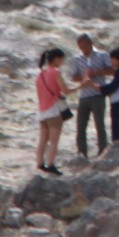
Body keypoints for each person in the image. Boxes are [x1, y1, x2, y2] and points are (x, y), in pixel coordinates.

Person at [35, 47, 79, 175]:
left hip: (42, 111)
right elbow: (65, 90)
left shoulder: (40, 75)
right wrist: (81, 86)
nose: (62, 62)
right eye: (61, 60)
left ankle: (39, 163)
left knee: (43, 140)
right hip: (53, 110)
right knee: (54, 141)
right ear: (56, 59)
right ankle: (50, 164)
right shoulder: (55, 72)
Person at [69, 34, 113, 159]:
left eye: (85, 46)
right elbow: (74, 76)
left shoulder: (102, 55)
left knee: (100, 125)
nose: (84, 50)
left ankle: (102, 152)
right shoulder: (77, 59)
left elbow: (112, 71)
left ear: (91, 43)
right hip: (84, 96)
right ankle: (82, 153)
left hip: (98, 95)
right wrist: (85, 77)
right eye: (81, 47)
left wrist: (97, 72)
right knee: (81, 126)